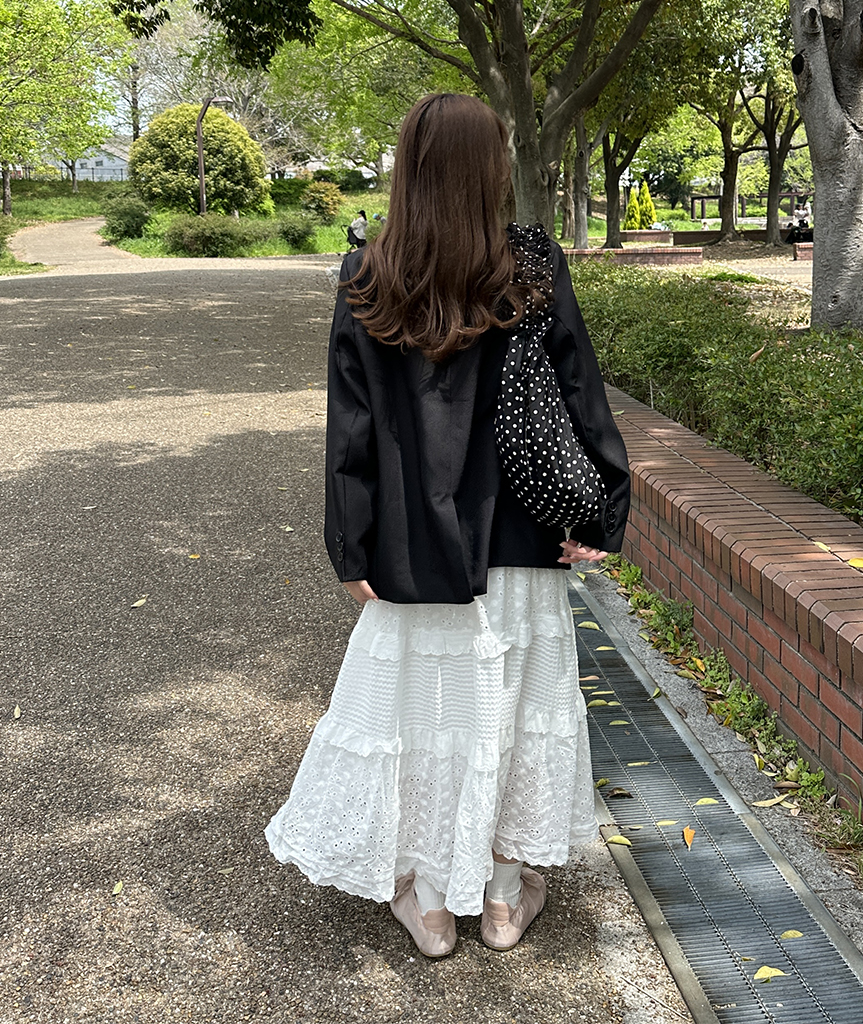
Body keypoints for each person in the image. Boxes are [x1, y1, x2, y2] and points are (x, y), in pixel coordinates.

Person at [265, 93, 630, 959]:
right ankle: (501, 902)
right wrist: (602, 511)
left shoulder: (368, 274)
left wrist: (349, 544)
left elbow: (351, 428)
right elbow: (579, 390)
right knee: (508, 715)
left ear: (411, 168)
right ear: (491, 167)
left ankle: (432, 909)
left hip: (411, 546)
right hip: (522, 539)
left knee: (426, 719)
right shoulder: (531, 265)